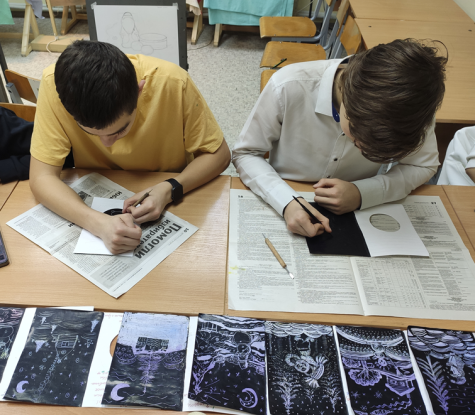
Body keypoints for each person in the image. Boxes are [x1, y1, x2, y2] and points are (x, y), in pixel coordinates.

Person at [30, 41, 230, 254]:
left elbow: (220, 155)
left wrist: (169, 189)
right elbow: (41, 177)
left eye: (120, 130)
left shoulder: (172, 82)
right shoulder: (54, 84)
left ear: (139, 91)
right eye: (91, 133)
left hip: (176, 194)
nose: (107, 144)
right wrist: (97, 223)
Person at [233, 39, 447, 237]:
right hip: (283, 190)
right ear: (346, 92)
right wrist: (285, 201)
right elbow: (245, 153)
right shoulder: (289, 85)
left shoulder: (414, 109)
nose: (361, 150)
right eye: (357, 138)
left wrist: (363, 193)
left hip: (355, 209)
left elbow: (423, 165)